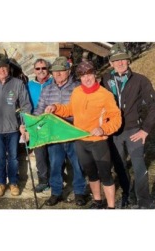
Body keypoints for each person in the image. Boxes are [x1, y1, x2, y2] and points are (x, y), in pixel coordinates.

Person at [45, 60, 122, 209]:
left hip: (99, 141)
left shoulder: (105, 94)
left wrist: (103, 129)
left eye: (89, 75)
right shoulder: (77, 92)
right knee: (91, 174)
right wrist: (56, 107)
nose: (86, 79)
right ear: (79, 78)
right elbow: (70, 110)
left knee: (105, 175)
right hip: (81, 140)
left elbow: (117, 118)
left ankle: (111, 207)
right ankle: (97, 201)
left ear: (95, 75)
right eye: (83, 76)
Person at [102, 43, 155, 209]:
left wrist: (145, 130)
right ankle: (128, 195)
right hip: (114, 131)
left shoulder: (140, 80)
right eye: (116, 60)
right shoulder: (105, 79)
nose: (120, 63)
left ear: (128, 61)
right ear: (111, 63)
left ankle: (144, 201)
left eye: (123, 59)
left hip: (134, 130)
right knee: (120, 166)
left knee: (139, 166)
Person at [34, 56, 86, 206]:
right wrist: (31, 125)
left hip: (73, 133)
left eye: (61, 71)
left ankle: (79, 192)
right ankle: (56, 193)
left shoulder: (78, 88)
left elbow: (83, 110)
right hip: (54, 134)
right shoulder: (47, 89)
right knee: (55, 164)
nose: (57, 74)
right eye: (55, 71)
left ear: (68, 71)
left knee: (77, 164)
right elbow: (39, 109)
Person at [0, 53, 32, 197]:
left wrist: (24, 125)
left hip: (13, 129)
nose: (2, 70)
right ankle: (1, 182)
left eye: (4, 67)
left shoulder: (17, 83)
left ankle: (13, 183)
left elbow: (26, 105)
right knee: (0, 157)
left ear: (8, 68)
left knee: (13, 158)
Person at [26, 58, 53, 192]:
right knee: (40, 154)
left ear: (48, 69)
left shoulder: (54, 83)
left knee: (54, 154)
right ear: (34, 70)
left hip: (52, 122)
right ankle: (43, 181)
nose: (41, 71)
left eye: (44, 68)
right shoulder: (29, 85)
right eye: (38, 68)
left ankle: (55, 180)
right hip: (36, 123)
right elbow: (25, 104)